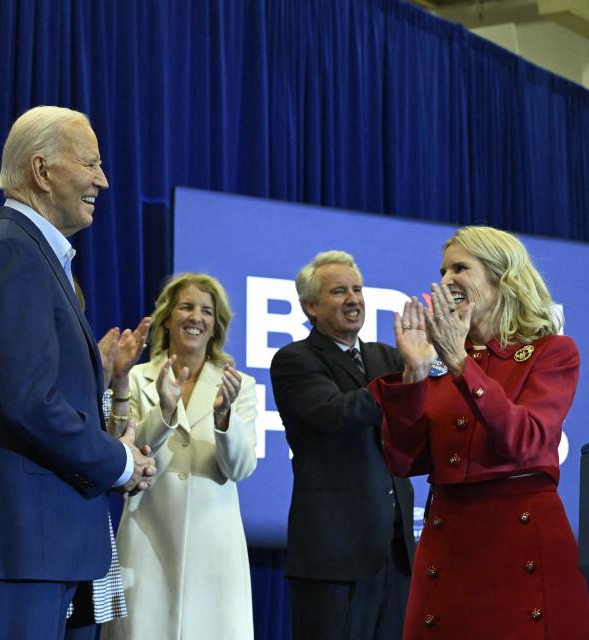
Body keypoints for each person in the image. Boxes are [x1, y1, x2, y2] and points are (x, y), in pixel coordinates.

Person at [0, 105, 156, 640]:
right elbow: (27, 400)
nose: (103, 179)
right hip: (18, 539)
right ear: (41, 169)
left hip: (44, 541)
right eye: (91, 163)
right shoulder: (10, 252)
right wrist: (116, 461)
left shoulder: (32, 255)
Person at [370, 226, 589, 637]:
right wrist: (415, 375)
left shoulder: (552, 352)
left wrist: (459, 363)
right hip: (448, 537)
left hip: (519, 533)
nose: (446, 279)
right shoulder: (440, 357)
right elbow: (402, 460)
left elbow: (526, 440)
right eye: (443, 269)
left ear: (501, 276)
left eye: (461, 268)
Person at [102, 273, 258, 640]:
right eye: (186, 307)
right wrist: (166, 412)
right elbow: (123, 457)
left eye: (206, 311)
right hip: (147, 539)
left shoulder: (240, 385)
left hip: (214, 548)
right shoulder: (136, 378)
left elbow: (240, 468)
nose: (196, 317)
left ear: (215, 325)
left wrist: (223, 418)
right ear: (169, 317)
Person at [270, 250, 414, 640]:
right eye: (339, 291)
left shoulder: (386, 357)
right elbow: (337, 414)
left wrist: (431, 366)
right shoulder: (294, 360)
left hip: (394, 554)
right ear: (310, 306)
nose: (353, 299)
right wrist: (409, 376)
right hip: (334, 554)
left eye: (357, 289)